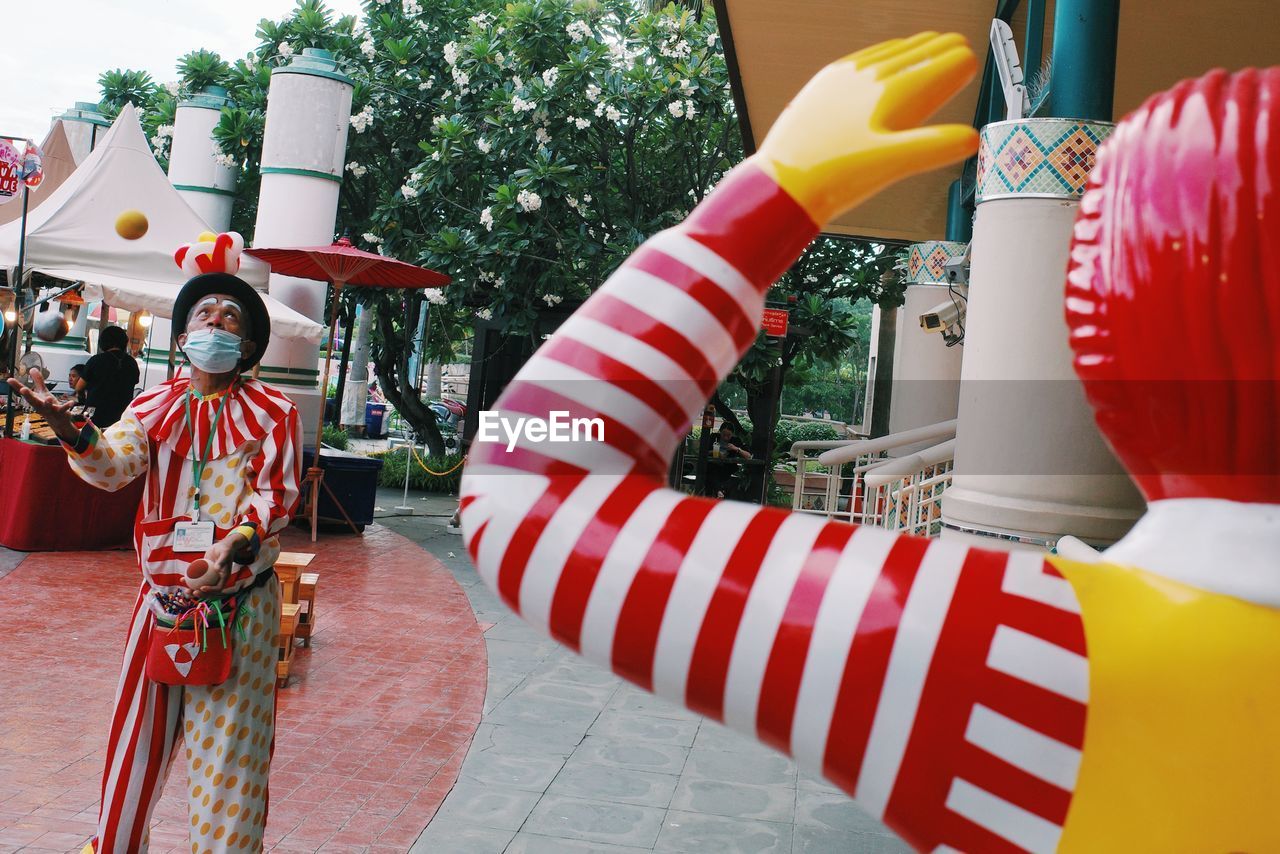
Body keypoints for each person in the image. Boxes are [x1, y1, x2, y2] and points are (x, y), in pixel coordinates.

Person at [10, 268, 302, 853]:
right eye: (203, 314)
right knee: (131, 753)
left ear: (245, 348)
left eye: (229, 317)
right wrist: (70, 429)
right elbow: (113, 465)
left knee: (231, 767)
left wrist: (231, 546)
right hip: (159, 606)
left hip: (236, 610)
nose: (215, 321)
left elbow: (276, 497)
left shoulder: (275, 413)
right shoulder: (153, 406)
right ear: (182, 337)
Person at [79, 325, 139, 428]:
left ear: (103, 341)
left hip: (95, 416)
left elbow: (79, 387)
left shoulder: (96, 360)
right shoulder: (132, 362)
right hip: (121, 418)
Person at [706, 421, 751, 498]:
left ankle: (719, 492)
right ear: (720, 431)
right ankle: (719, 492)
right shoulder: (714, 437)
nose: (725, 437)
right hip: (712, 466)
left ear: (732, 434)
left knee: (717, 476)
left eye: (729, 435)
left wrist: (736, 449)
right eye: (723, 434)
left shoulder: (735, 441)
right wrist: (714, 452)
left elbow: (748, 456)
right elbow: (703, 451)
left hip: (728, 469)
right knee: (710, 471)